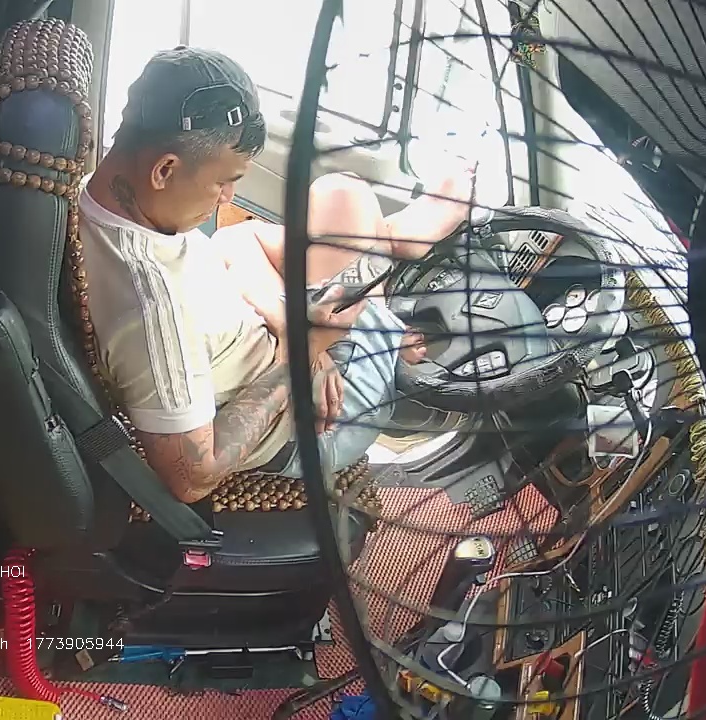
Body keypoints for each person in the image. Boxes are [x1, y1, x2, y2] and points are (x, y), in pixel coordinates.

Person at [78, 47, 474, 503]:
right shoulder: (153, 314)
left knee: (334, 197)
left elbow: (233, 242)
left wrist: (289, 328)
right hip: (314, 420)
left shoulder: (100, 202)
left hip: (265, 334)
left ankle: (386, 249)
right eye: (223, 182)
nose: (228, 197)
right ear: (165, 169)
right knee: (352, 217)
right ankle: (389, 260)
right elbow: (191, 476)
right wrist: (307, 350)